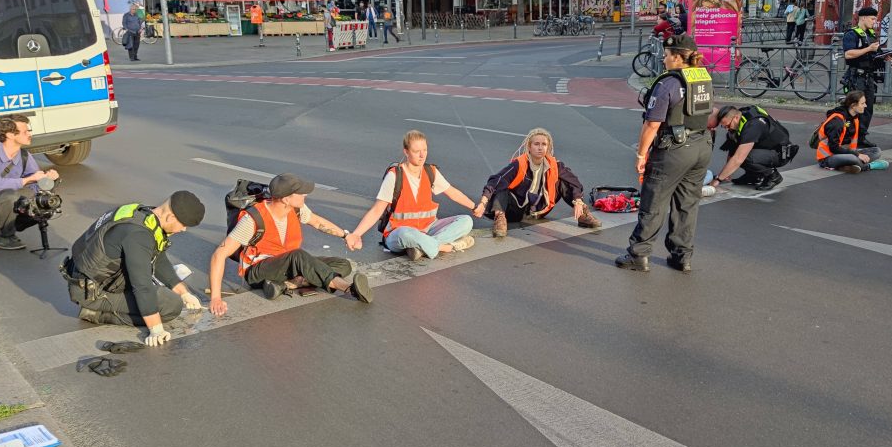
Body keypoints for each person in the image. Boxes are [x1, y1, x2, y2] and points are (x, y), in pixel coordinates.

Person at [616, 35, 713, 273]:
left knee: (654, 202)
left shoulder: (668, 83)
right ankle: (682, 257)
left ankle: (638, 255)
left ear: (678, 57)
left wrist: (641, 155)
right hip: (701, 146)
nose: (664, 57)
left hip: (675, 150)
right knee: (687, 205)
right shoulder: (702, 77)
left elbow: (652, 125)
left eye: (668, 54)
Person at [208, 172, 371, 313]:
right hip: (258, 271)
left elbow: (316, 221)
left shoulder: (297, 209)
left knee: (342, 264)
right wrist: (216, 297)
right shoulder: (253, 219)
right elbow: (219, 255)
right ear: (286, 199)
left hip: (288, 265)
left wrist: (345, 235)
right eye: (300, 193)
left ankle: (287, 284)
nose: (305, 195)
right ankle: (348, 288)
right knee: (298, 256)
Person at [62, 191, 207, 344]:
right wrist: (156, 330)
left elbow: (157, 258)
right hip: (91, 293)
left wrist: (183, 292)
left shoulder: (141, 213)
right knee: (170, 305)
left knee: (161, 292)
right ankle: (96, 313)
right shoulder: (138, 235)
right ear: (171, 217)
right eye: (183, 225)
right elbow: (142, 286)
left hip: (84, 278)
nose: (184, 230)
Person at [348, 130, 477, 260]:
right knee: (407, 235)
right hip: (398, 232)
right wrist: (356, 234)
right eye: (416, 151)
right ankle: (447, 247)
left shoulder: (430, 171)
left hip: (428, 228)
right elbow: (377, 210)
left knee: (466, 221)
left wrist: (474, 207)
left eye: (425, 150)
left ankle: (420, 247)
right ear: (406, 152)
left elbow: (452, 192)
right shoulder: (394, 175)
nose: (422, 156)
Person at [472, 127, 601, 238]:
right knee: (502, 185)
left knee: (564, 180)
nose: (540, 148)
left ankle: (582, 216)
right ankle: (500, 218)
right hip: (517, 210)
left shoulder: (555, 165)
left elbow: (574, 182)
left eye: (543, 144)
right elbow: (496, 180)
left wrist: (578, 201)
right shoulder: (519, 164)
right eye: (536, 144)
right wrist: (483, 202)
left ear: (548, 147)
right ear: (529, 146)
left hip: (540, 208)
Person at [0, 114, 59, 250]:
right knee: (10, 196)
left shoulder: (24, 155)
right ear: (10, 134)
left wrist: (48, 180)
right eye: (25, 131)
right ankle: (3, 237)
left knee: (44, 202)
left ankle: (13, 224)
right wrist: (28, 179)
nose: (29, 134)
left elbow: (34, 184)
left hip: (4, 196)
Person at [707, 104, 796, 191]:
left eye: (727, 125)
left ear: (736, 118)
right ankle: (754, 176)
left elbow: (738, 158)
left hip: (781, 153)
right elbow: (732, 148)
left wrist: (718, 180)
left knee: (745, 157)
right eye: (724, 126)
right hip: (767, 148)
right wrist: (726, 174)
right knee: (738, 152)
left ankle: (773, 176)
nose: (726, 128)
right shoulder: (740, 117)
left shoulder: (752, 126)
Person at [841, 5, 891, 147]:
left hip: (869, 77)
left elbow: (876, 53)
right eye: (872, 19)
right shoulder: (851, 34)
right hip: (856, 77)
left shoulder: (870, 34)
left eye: (875, 19)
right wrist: (868, 48)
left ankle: (861, 137)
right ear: (863, 18)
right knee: (854, 108)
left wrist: (885, 57)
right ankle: (847, 136)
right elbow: (848, 54)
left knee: (867, 108)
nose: (874, 22)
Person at [815, 91, 886, 174]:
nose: (865, 106)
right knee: (854, 158)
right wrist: (857, 155)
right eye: (862, 103)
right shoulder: (837, 122)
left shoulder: (855, 117)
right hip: (828, 157)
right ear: (853, 105)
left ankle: (847, 166)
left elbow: (853, 142)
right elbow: (833, 148)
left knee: (877, 151)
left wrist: (856, 153)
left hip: (847, 152)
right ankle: (868, 166)